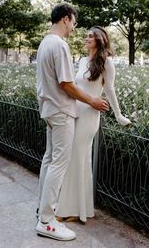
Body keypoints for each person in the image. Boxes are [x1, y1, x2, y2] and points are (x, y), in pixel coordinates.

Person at [35, 4, 109, 241]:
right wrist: (93, 101)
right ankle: (47, 221)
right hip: (62, 111)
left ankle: (42, 209)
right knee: (59, 163)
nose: (74, 28)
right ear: (66, 19)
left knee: (48, 160)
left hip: (48, 109)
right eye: (74, 23)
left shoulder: (44, 43)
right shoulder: (59, 45)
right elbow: (66, 84)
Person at [55, 26, 131, 224]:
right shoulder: (82, 61)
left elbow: (110, 90)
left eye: (90, 36)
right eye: (86, 35)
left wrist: (118, 114)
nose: (86, 38)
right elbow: (73, 87)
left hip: (89, 115)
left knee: (77, 160)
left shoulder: (107, 62)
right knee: (76, 160)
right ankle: (81, 209)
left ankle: (71, 209)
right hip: (75, 112)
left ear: (99, 39)